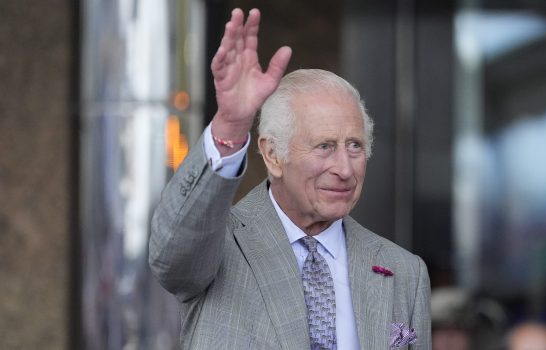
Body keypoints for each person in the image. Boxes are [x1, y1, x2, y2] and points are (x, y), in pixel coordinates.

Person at [148, 8, 431, 349]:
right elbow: (171, 255)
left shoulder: (403, 271)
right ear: (273, 155)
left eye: (354, 146)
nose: (344, 168)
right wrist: (230, 126)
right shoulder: (219, 248)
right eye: (325, 146)